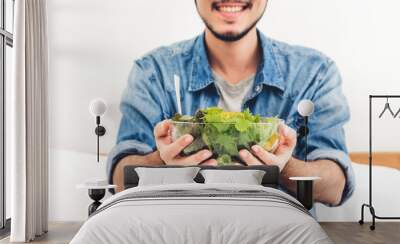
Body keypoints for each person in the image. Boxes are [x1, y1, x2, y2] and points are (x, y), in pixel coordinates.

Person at [107, 0, 355, 207]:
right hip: (178, 241)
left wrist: (283, 166)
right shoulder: (153, 72)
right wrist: (161, 161)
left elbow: (334, 187)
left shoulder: (314, 73)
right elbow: (119, 180)